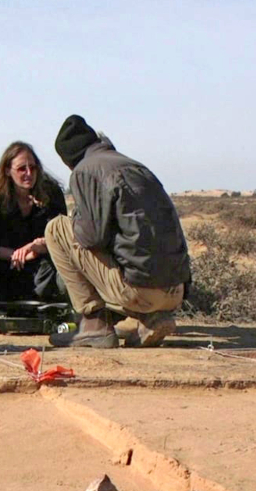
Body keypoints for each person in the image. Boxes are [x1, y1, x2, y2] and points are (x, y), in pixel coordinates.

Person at [44, 115, 190, 348]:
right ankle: (149, 318)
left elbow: (91, 237)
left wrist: (76, 219)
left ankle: (94, 325)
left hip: (139, 291)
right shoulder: (135, 166)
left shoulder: (86, 171)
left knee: (57, 229)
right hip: (175, 291)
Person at [0, 142, 67, 304]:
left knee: (54, 281)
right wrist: (19, 254)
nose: (29, 173)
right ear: (8, 170)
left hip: (43, 262)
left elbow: (60, 235)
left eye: (33, 167)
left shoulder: (51, 193)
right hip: (9, 261)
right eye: (22, 168)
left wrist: (37, 248)